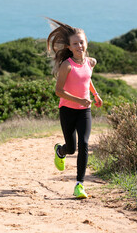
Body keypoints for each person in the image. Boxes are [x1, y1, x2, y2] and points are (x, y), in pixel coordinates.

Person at [46, 18, 103, 199]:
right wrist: (79, 98)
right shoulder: (67, 65)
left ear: (86, 43)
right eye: (75, 43)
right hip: (68, 111)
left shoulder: (90, 62)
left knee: (84, 144)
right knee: (71, 148)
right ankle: (60, 151)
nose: (79, 46)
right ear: (69, 47)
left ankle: (79, 185)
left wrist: (94, 95)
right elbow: (58, 91)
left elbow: (86, 79)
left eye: (82, 42)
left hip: (84, 111)